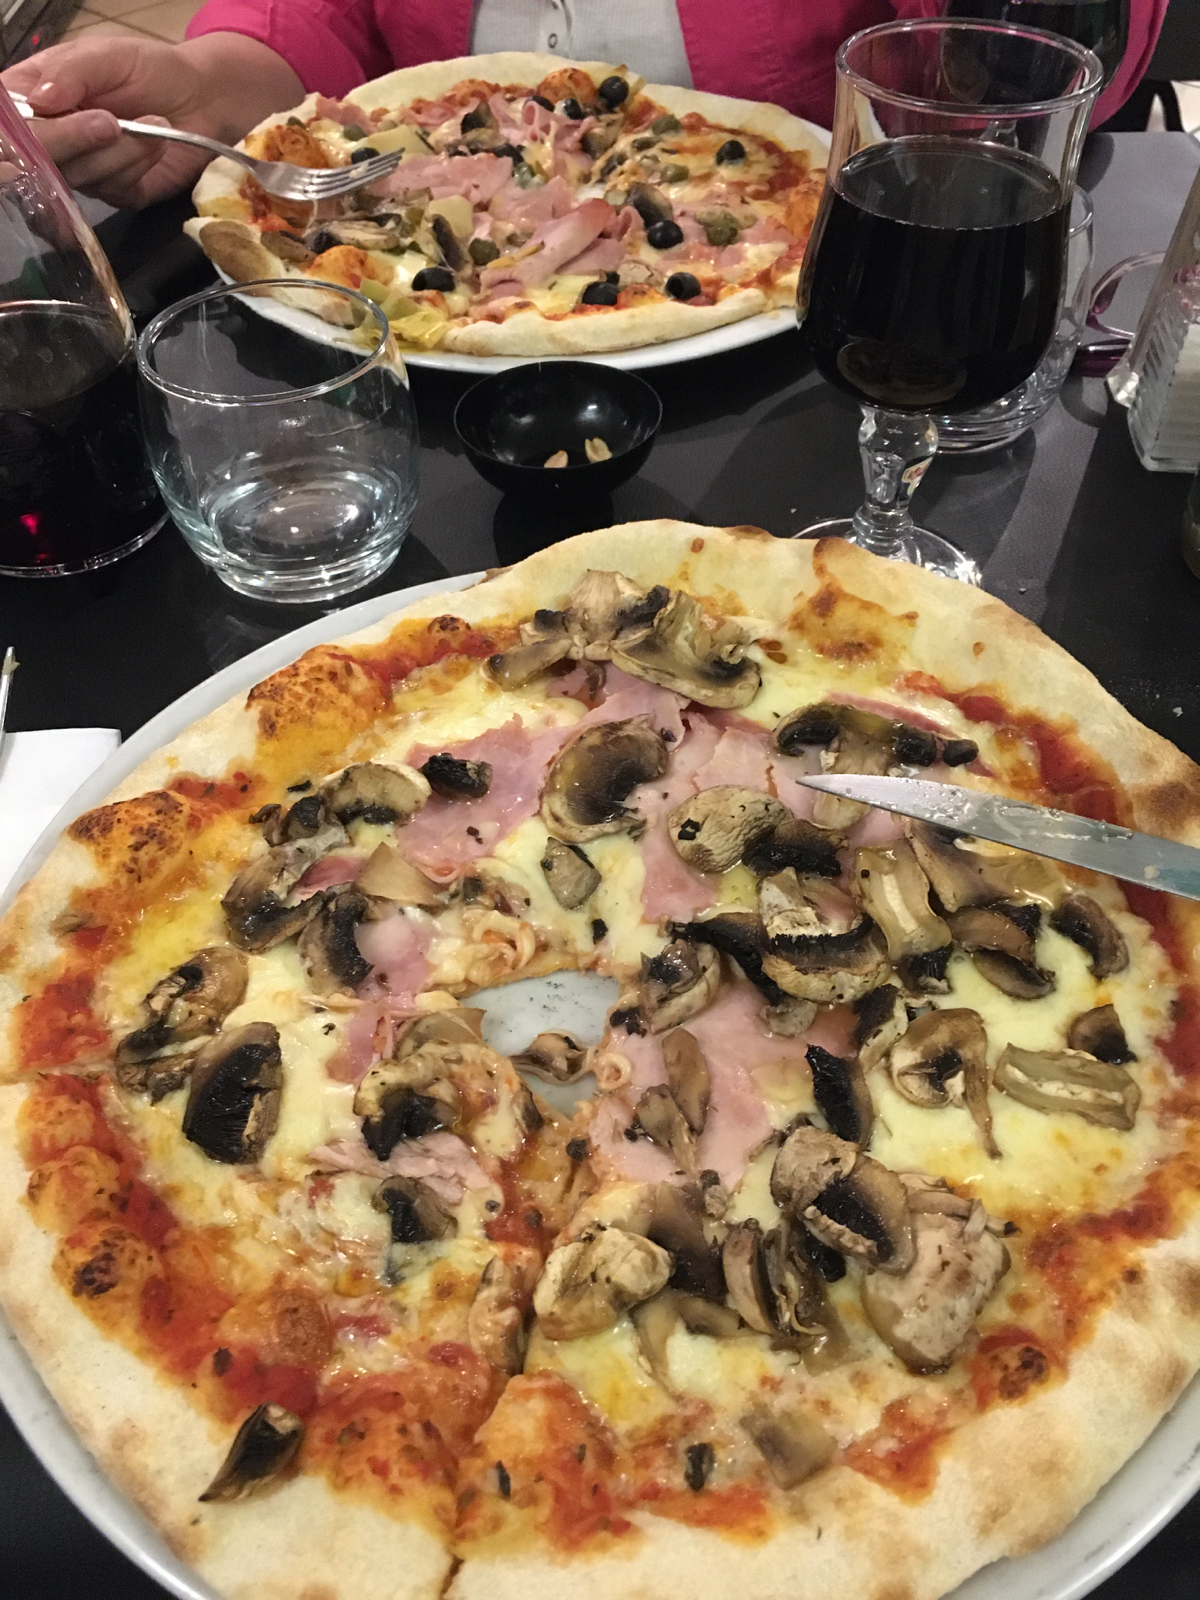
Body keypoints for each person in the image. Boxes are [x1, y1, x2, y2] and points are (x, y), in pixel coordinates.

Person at [1, 0, 1167, 211]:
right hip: (395, 361)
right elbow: (319, 21)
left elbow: (1047, 67)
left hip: (822, 326)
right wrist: (207, 89)